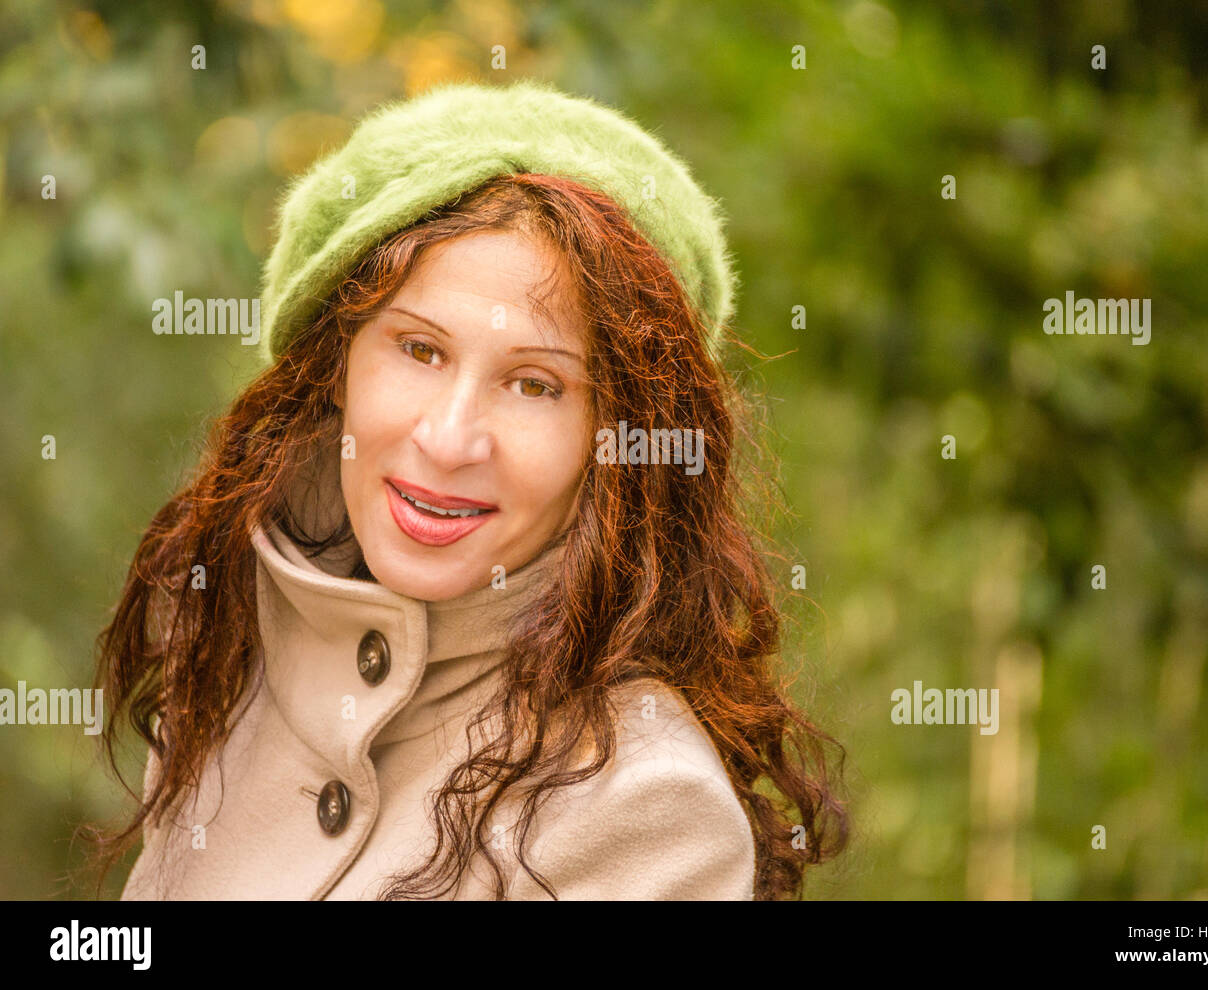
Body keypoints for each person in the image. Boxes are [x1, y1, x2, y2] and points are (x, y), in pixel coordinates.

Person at [91, 78, 848, 900]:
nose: (449, 441)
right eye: (418, 350)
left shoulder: (647, 809)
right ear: (334, 362)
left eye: (535, 385)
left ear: (615, 443)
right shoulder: (233, 650)